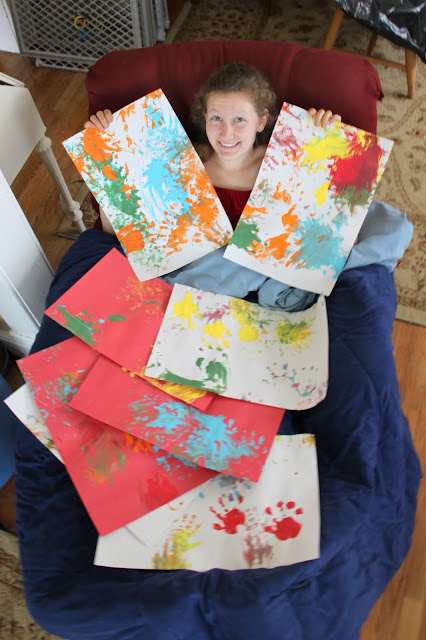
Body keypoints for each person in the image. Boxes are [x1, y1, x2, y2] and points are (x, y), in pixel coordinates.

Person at [84, 62, 412, 311]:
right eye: (216, 118)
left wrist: (326, 136)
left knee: (379, 229)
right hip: (198, 278)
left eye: (239, 120)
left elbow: (327, 219)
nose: (227, 133)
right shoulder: (183, 160)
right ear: (204, 117)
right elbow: (117, 232)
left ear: (262, 121)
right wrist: (111, 149)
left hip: (268, 276)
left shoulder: (285, 160)